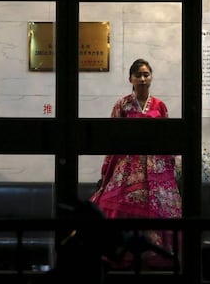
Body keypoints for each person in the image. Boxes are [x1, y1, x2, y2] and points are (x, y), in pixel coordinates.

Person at [89, 58, 182, 270]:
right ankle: (123, 253)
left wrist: (172, 164)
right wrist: (106, 171)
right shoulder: (121, 105)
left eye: (146, 74)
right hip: (127, 166)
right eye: (138, 75)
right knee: (117, 203)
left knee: (158, 206)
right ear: (130, 78)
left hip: (155, 166)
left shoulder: (160, 106)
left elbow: (167, 138)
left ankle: (156, 255)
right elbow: (111, 139)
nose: (142, 78)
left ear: (151, 77)